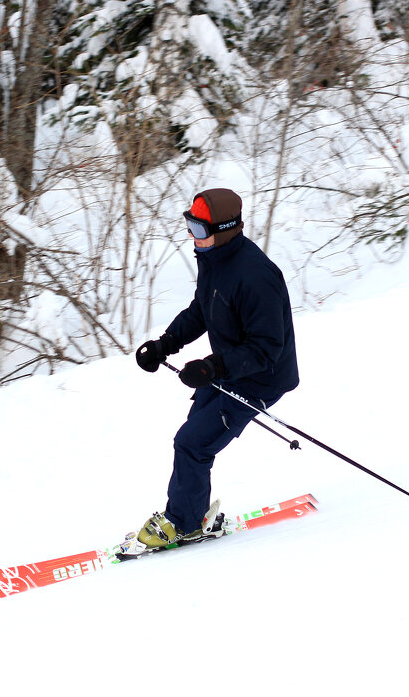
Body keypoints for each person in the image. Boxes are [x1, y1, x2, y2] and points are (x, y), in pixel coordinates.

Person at [132, 188, 299, 549]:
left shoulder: (256, 277)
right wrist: (166, 344)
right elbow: (202, 310)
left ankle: (184, 523)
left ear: (223, 229)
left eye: (199, 228)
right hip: (230, 371)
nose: (192, 235)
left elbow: (268, 348)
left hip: (261, 378)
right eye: (189, 225)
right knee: (194, 430)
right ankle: (194, 511)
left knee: (192, 443)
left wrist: (213, 366)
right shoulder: (215, 260)